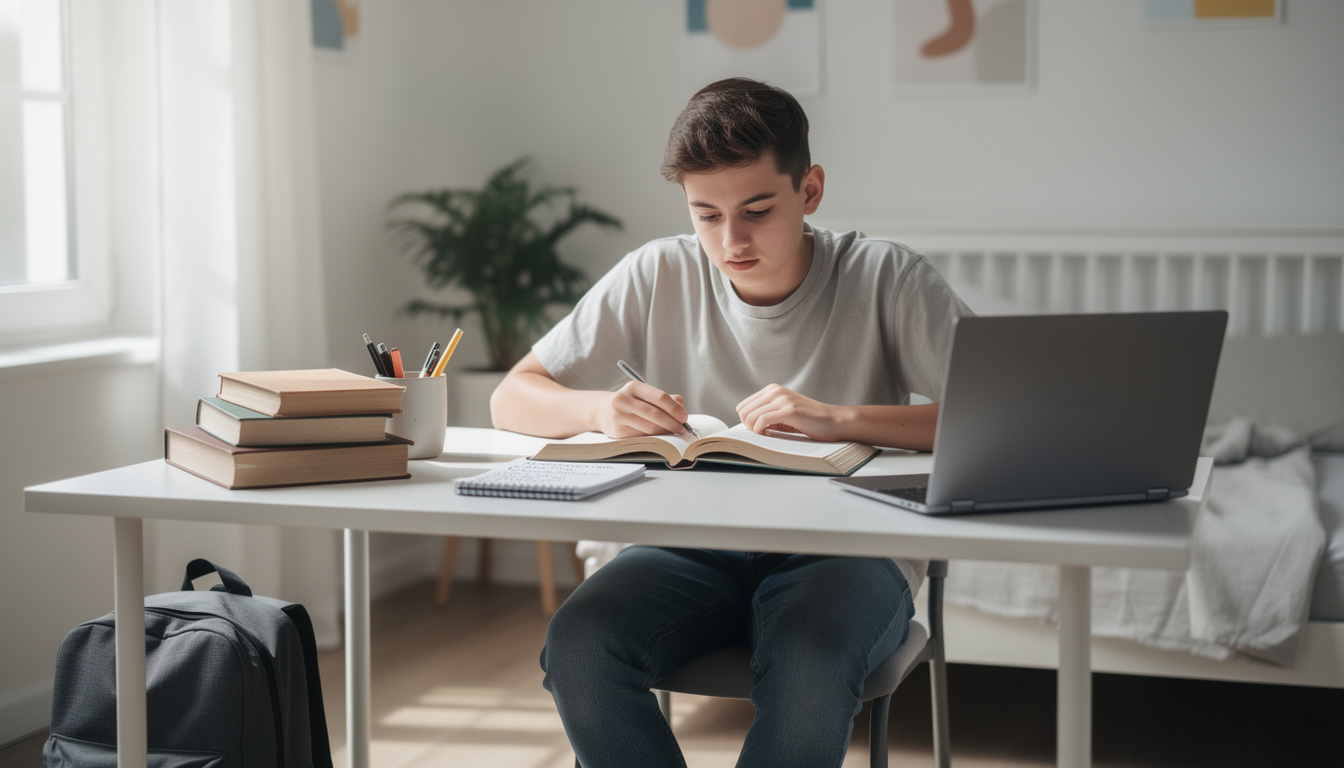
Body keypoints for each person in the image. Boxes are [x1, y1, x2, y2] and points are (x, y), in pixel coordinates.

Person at [490, 77, 970, 768]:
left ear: (810, 191)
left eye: (756, 210)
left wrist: (840, 418)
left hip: (848, 548)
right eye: (705, 215)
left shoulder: (885, 276)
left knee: (810, 663)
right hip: (690, 544)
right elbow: (513, 396)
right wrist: (598, 408)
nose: (730, 240)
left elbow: (995, 419)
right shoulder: (657, 271)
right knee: (579, 645)